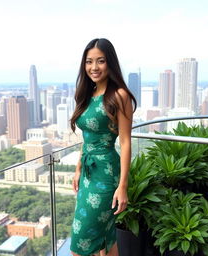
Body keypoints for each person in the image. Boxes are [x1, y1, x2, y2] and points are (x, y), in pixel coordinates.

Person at [70, 38, 137, 256]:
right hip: (88, 172)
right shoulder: (87, 95)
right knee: (106, 237)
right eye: (89, 62)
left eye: (100, 61)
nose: (94, 67)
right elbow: (87, 137)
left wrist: (123, 186)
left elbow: (126, 142)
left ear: (110, 63)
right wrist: (78, 168)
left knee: (80, 241)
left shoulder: (120, 96)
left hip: (107, 173)